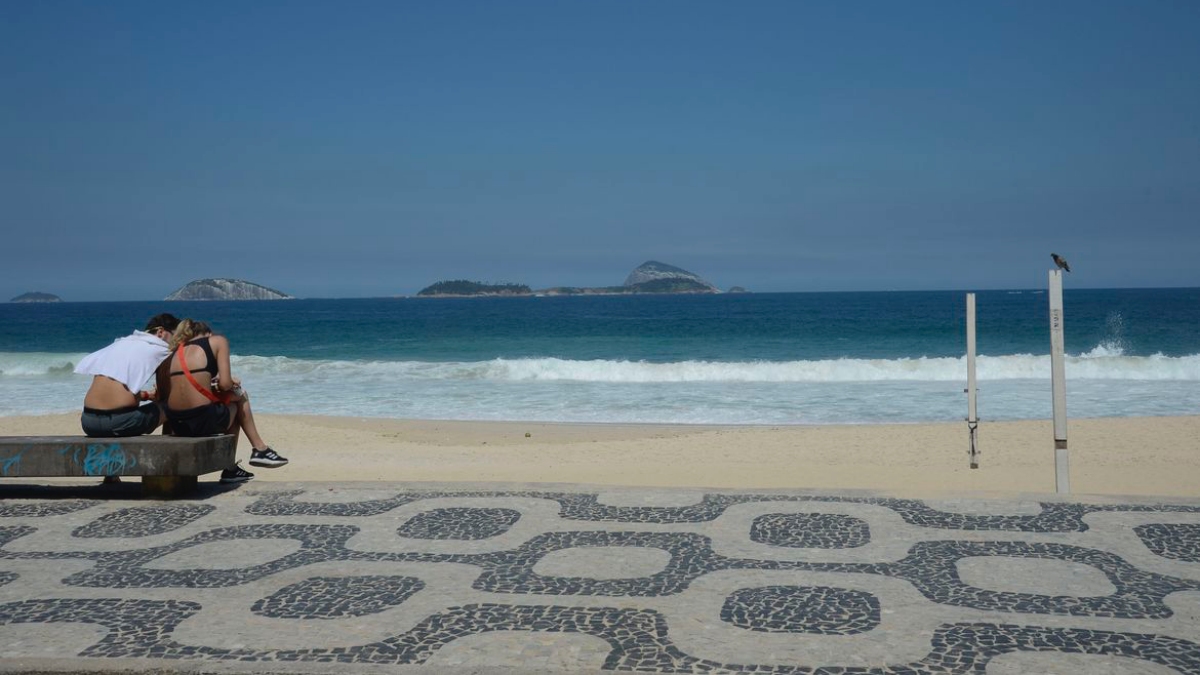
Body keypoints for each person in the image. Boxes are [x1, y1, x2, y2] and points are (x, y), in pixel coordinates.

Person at [157, 319, 288, 484]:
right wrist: (230, 383)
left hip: (177, 423)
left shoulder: (178, 351)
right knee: (239, 397)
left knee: (228, 406)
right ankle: (258, 450)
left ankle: (234, 466)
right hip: (200, 420)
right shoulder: (218, 341)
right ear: (209, 334)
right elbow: (226, 385)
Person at [75, 313, 180, 438]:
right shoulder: (160, 349)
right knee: (174, 404)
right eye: (176, 337)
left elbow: (115, 390)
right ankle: (173, 447)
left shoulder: (121, 344)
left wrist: (146, 395)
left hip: (88, 422)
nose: (177, 342)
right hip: (121, 422)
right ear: (161, 332)